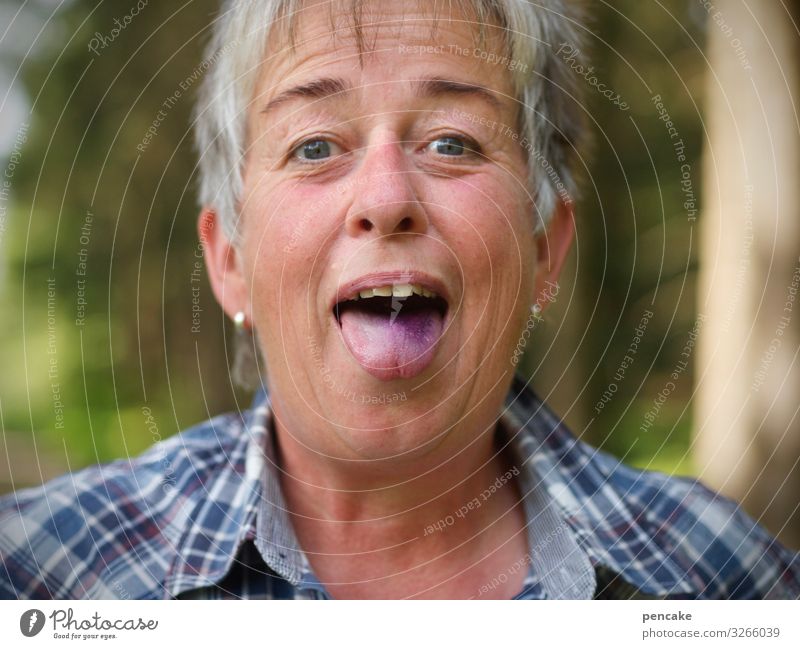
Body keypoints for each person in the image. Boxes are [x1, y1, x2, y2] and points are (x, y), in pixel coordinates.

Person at [1, 0, 798, 600]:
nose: (385, 198)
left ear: (544, 249)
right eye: (315, 145)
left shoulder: (734, 580)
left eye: (453, 141)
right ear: (230, 259)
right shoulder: (40, 573)